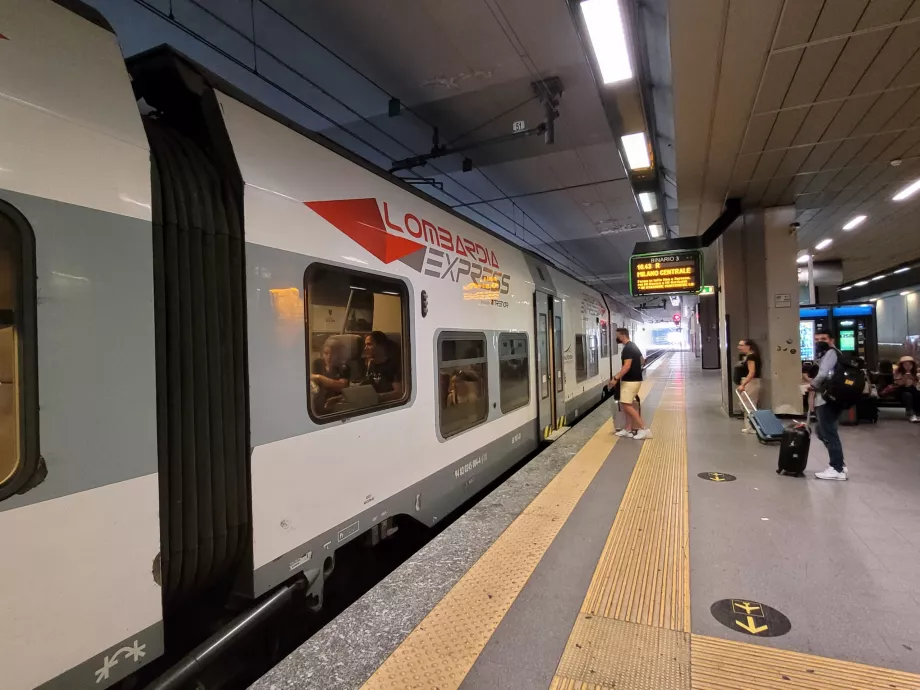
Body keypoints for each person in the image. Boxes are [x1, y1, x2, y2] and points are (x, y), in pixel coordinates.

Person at [811, 330, 848, 481]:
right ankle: (839, 463)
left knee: (829, 432)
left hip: (827, 399)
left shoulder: (830, 353)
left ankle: (837, 468)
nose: (820, 341)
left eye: (824, 339)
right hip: (832, 398)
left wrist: (812, 385)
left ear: (831, 340)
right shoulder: (835, 353)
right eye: (817, 339)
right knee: (821, 430)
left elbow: (822, 374)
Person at [609, 328, 652, 440]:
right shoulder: (633, 346)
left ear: (622, 336)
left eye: (617, 335)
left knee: (627, 405)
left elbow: (627, 366)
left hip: (630, 381)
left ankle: (644, 429)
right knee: (627, 404)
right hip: (634, 379)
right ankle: (628, 429)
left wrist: (616, 378)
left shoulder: (628, 349)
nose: (616, 338)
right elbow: (642, 361)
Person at [310, 338, 350, 414]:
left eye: (333, 353)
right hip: (314, 407)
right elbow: (310, 378)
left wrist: (319, 378)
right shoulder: (317, 363)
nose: (329, 357)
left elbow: (341, 386)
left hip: (332, 408)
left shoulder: (343, 368)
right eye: (326, 353)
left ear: (338, 354)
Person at [363, 331, 403, 403]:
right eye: (365, 345)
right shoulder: (371, 364)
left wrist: (375, 398)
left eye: (369, 344)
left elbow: (399, 393)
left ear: (381, 346)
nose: (365, 348)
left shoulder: (394, 365)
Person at [735, 339, 762, 434]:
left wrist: (743, 384)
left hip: (751, 382)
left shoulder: (751, 357)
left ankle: (752, 427)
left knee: (748, 405)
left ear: (748, 346)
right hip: (750, 382)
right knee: (746, 404)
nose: (739, 347)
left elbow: (751, 372)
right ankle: (750, 426)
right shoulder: (749, 357)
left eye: (741, 345)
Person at [894, 355, 920, 423]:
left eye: (910, 364)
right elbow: (898, 384)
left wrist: (914, 379)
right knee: (907, 395)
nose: (908, 366)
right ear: (902, 365)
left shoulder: (915, 372)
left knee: (917, 394)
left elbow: (916, 385)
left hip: (913, 390)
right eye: (905, 364)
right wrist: (905, 379)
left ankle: (917, 413)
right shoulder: (898, 372)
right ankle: (911, 414)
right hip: (901, 391)